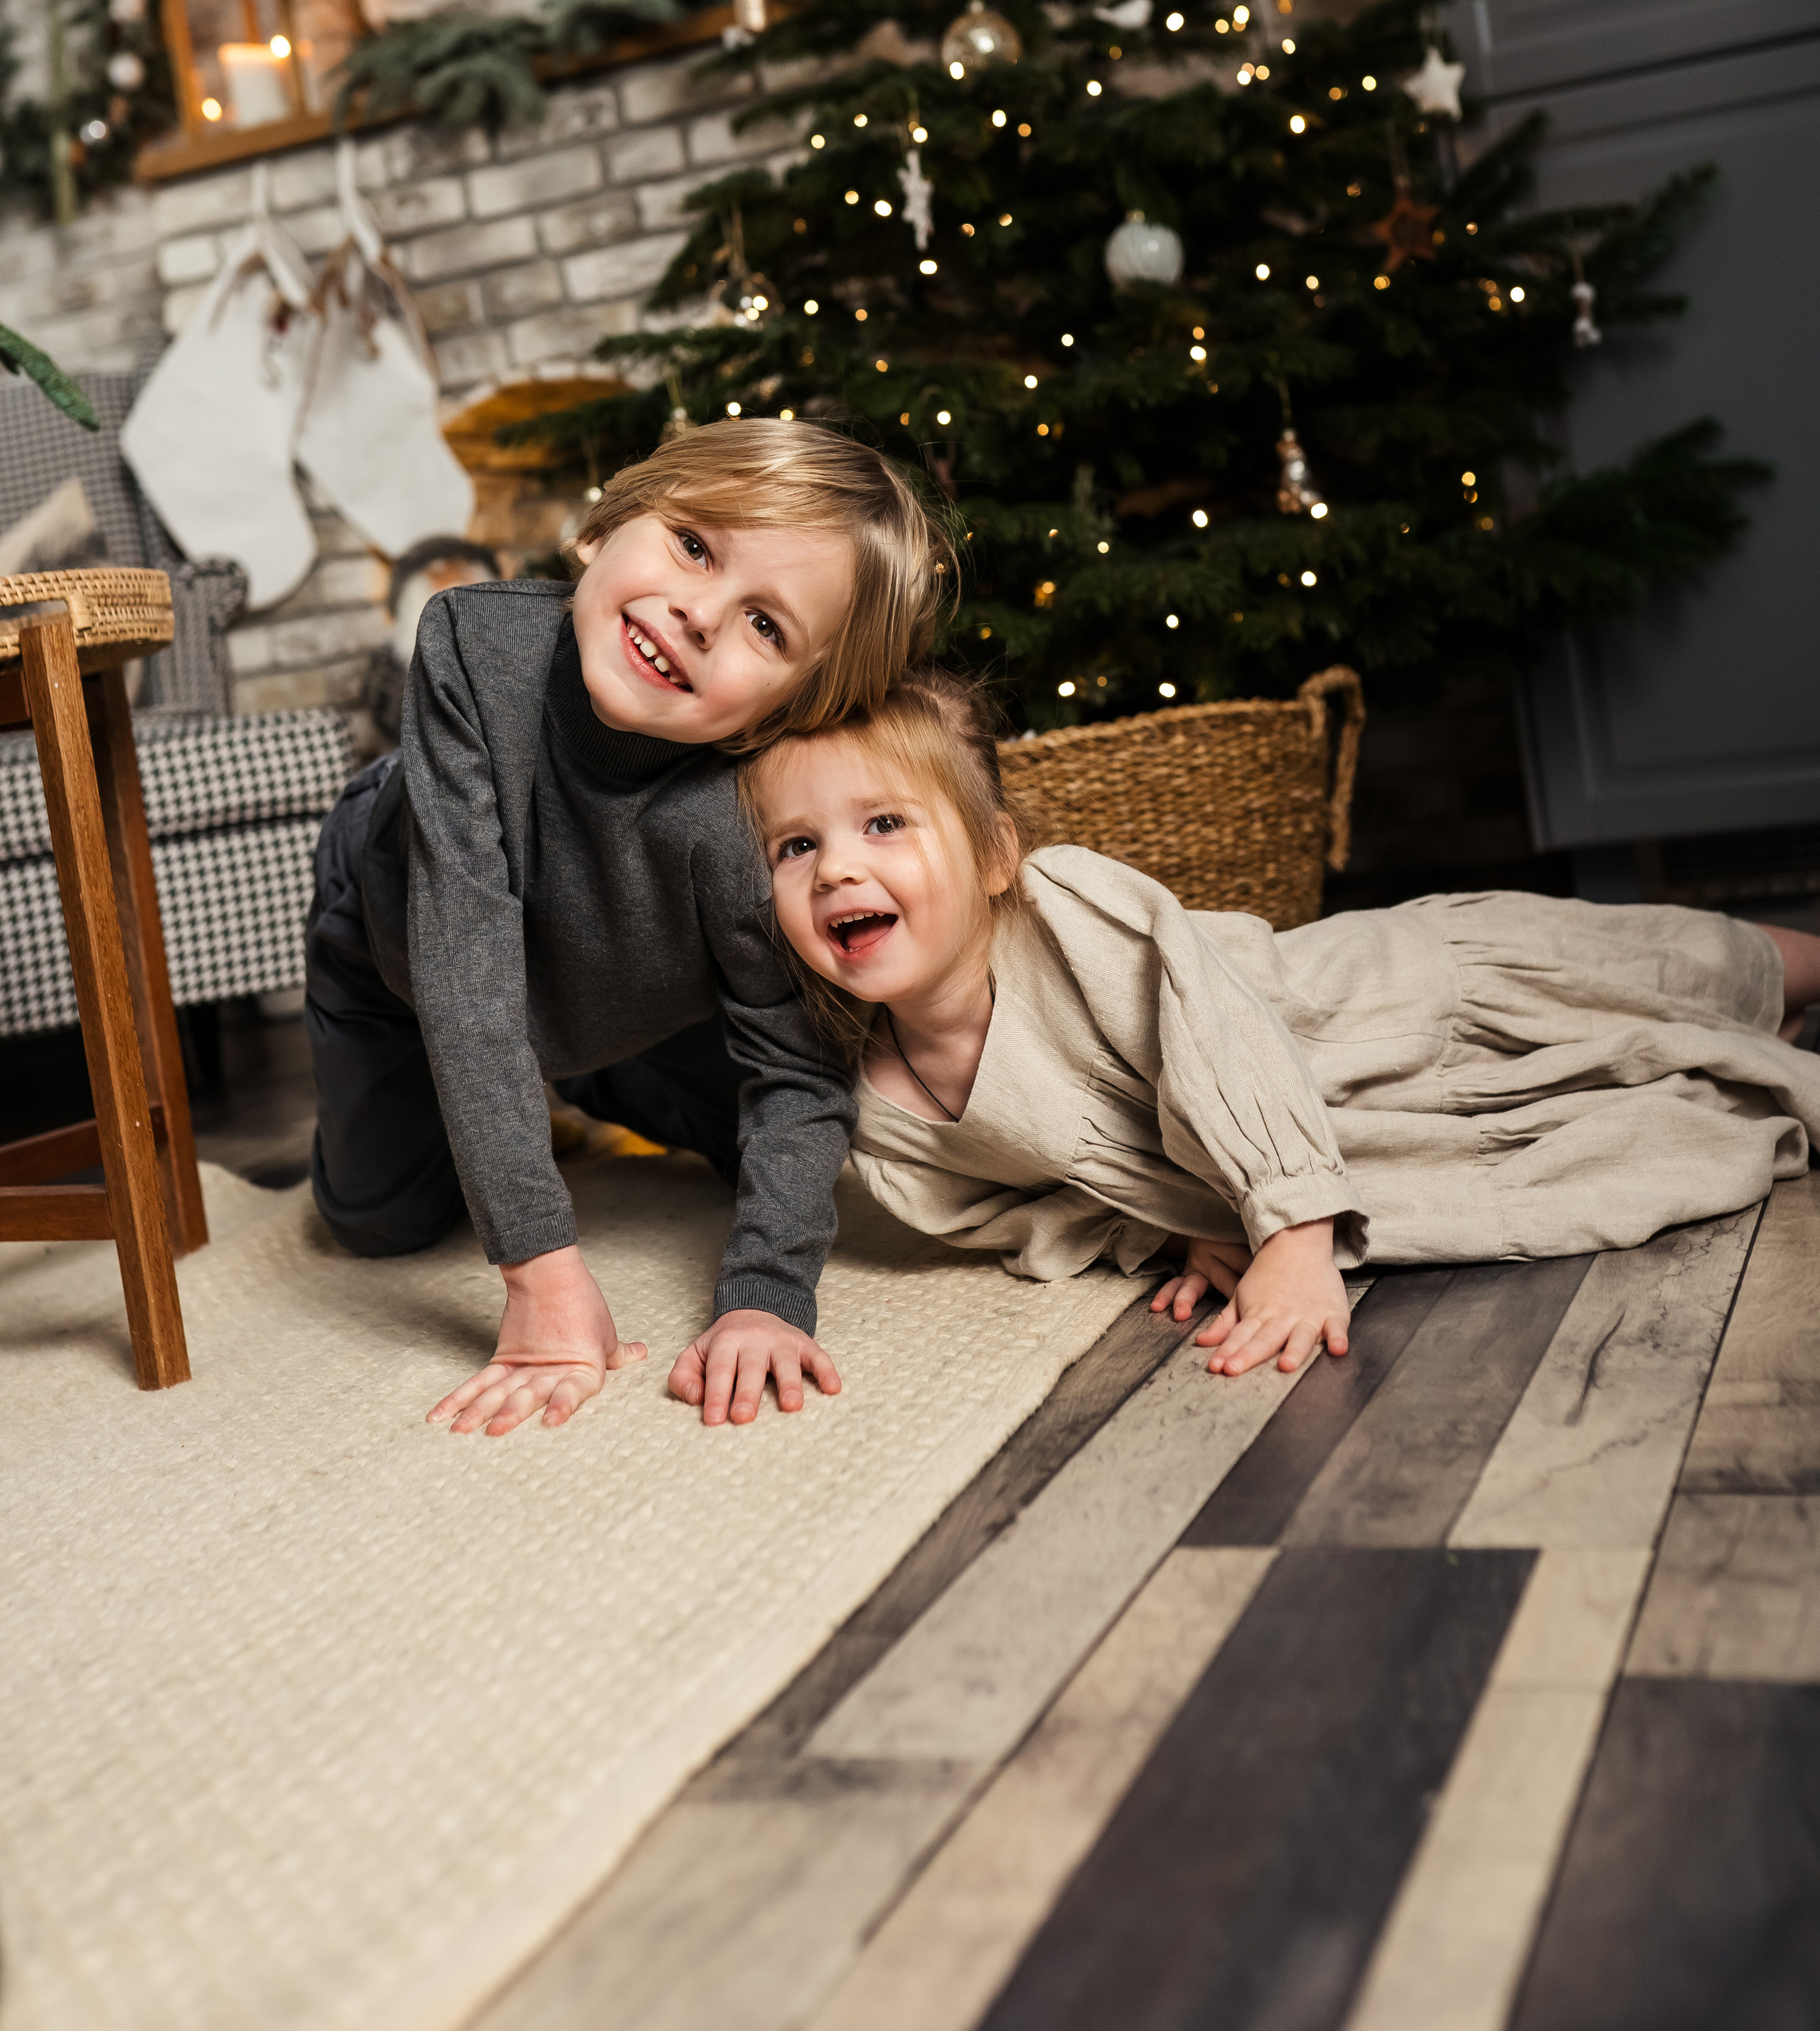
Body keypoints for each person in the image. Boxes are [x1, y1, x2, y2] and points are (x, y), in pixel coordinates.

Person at [739, 670, 1820, 1378]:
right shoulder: (879, 1114)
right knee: (1667, 1091)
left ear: (991, 858)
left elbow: (1219, 1039)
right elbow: (1021, 1211)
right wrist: (1167, 1231)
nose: (839, 866)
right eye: (797, 846)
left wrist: (1296, 1235)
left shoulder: (1068, 908)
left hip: (1375, 1007)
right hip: (1380, 1135)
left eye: (884, 823)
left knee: (1680, 969)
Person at [304, 419, 951, 1435]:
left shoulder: (744, 820)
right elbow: (464, 969)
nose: (698, 614)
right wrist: (540, 1272)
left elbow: (797, 1068)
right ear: (607, 525)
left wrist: (765, 1301)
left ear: (783, 713)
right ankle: (532, 1076)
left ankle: (575, 1070)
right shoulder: (472, 646)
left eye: (766, 628)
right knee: (379, 1224)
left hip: (609, 962)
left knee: (780, 1163)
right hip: (404, 932)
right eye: (695, 545)